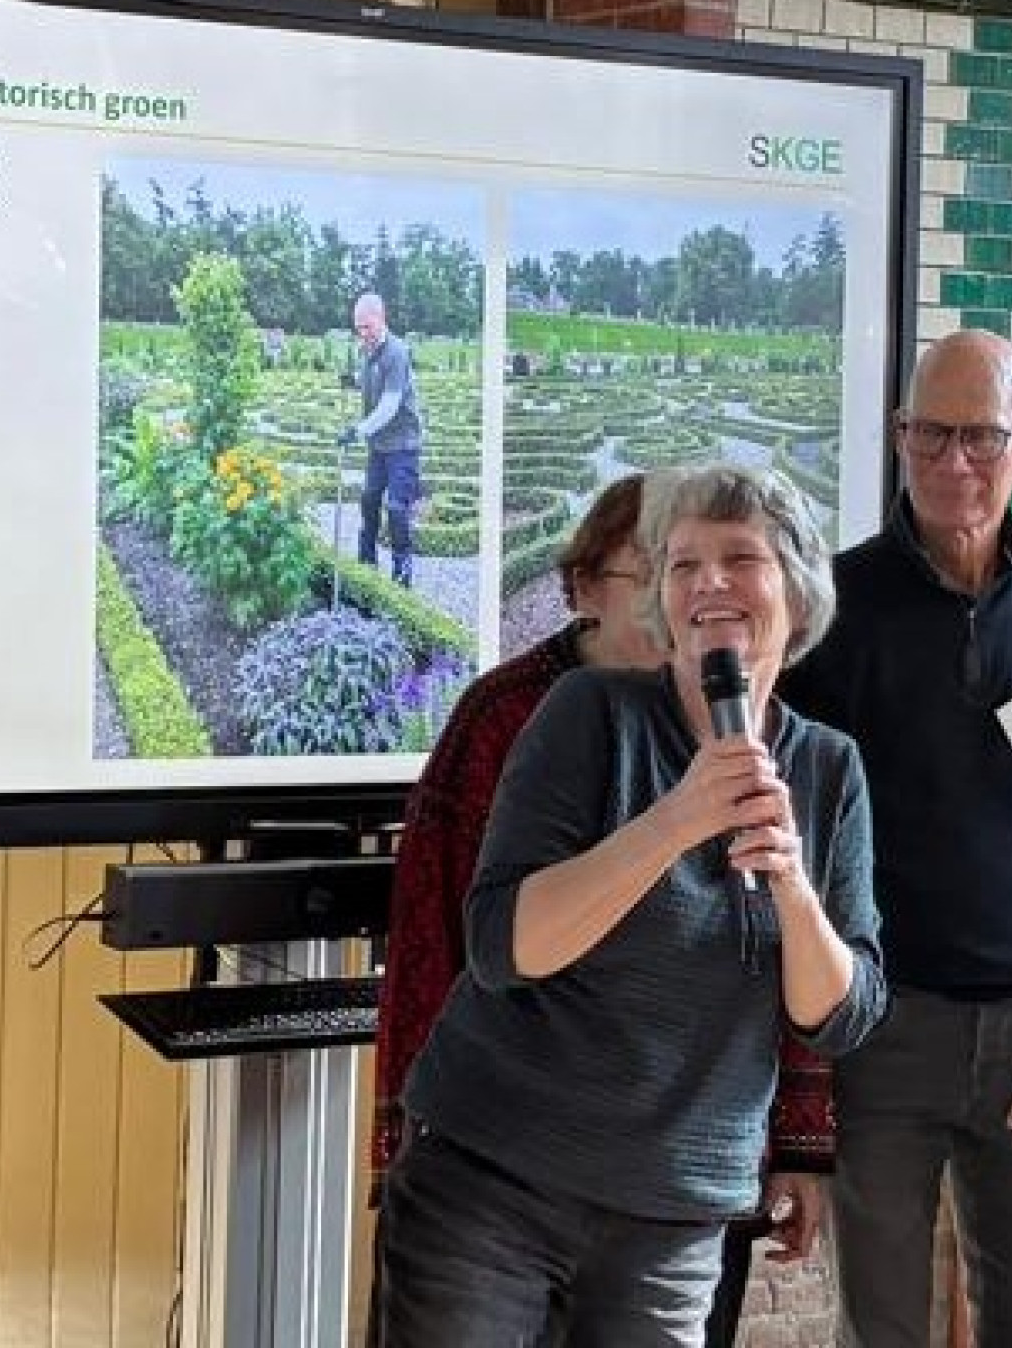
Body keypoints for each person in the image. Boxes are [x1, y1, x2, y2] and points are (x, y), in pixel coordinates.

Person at [378, 464, 886, 1348]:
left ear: (798, 594)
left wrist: (793, 886)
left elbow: (840, 1015)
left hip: (673, 1222)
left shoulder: (830, 769)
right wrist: (678, 818)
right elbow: (503, 946)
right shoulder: (588, 714)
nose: (709, 583)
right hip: (492, 1188)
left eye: (740, 559)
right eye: (683, 565)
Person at [781, 328, 1012, 1348]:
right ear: (899, 435)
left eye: (981, 437)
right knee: (881, 1333)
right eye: (930, 434)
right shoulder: (833, 609)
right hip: (878, 1034)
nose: (953, 462)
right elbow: (792, 841)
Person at [368, 473, 662, 1345]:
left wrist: (793, 1144)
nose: (673, 600)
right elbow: (429, 926)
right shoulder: (502, 714)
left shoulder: (732, 722)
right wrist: (405, 1118)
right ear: (583, 588)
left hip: (657, 1167)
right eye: (647, 574)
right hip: (494, 1149)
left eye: (689, 570)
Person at [340, 292, 421, 587]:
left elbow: (389, 405)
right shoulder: (367, 350)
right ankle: (366, 563)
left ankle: (402, 572)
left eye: (367, 326)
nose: (363, 333)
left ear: (382, 318)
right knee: (368, 499)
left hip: (403, 445)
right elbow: (370, 380)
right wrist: (352, 381)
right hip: (379, 445)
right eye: (358, 328)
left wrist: (358, 430)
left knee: (397, 508)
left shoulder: (397, 352)